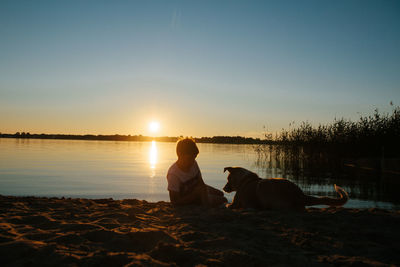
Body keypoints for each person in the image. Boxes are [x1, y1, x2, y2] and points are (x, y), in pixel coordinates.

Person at [166, 138, 227, 207]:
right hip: (188, 199)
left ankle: (205, 202)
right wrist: (195, 195)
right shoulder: (173, 174)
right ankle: (205, 207)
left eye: (194, 158)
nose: (192, 161)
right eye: (189, 158)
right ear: (180, 156)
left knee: (220, 193)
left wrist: (203, 192)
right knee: (224, 200)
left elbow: (201, 183)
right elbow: (174, 202)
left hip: (199, 192)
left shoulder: (193, 163)